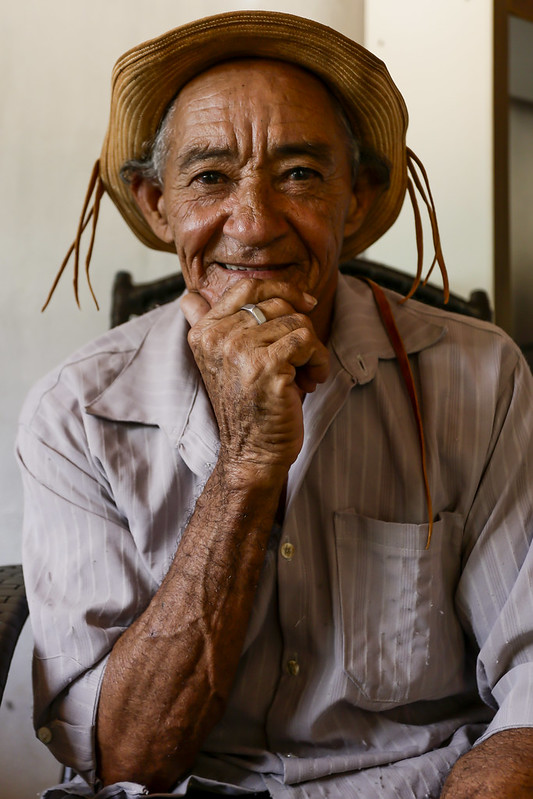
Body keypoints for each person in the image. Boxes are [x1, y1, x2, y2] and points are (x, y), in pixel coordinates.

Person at [17, 11, 533, 799]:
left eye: (298, 174)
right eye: (210, 176)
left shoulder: (481, 373)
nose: (253, 224)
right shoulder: (77, 410)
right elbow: (125, 759)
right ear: (157, 204)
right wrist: (247, 465)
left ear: (355, 199)